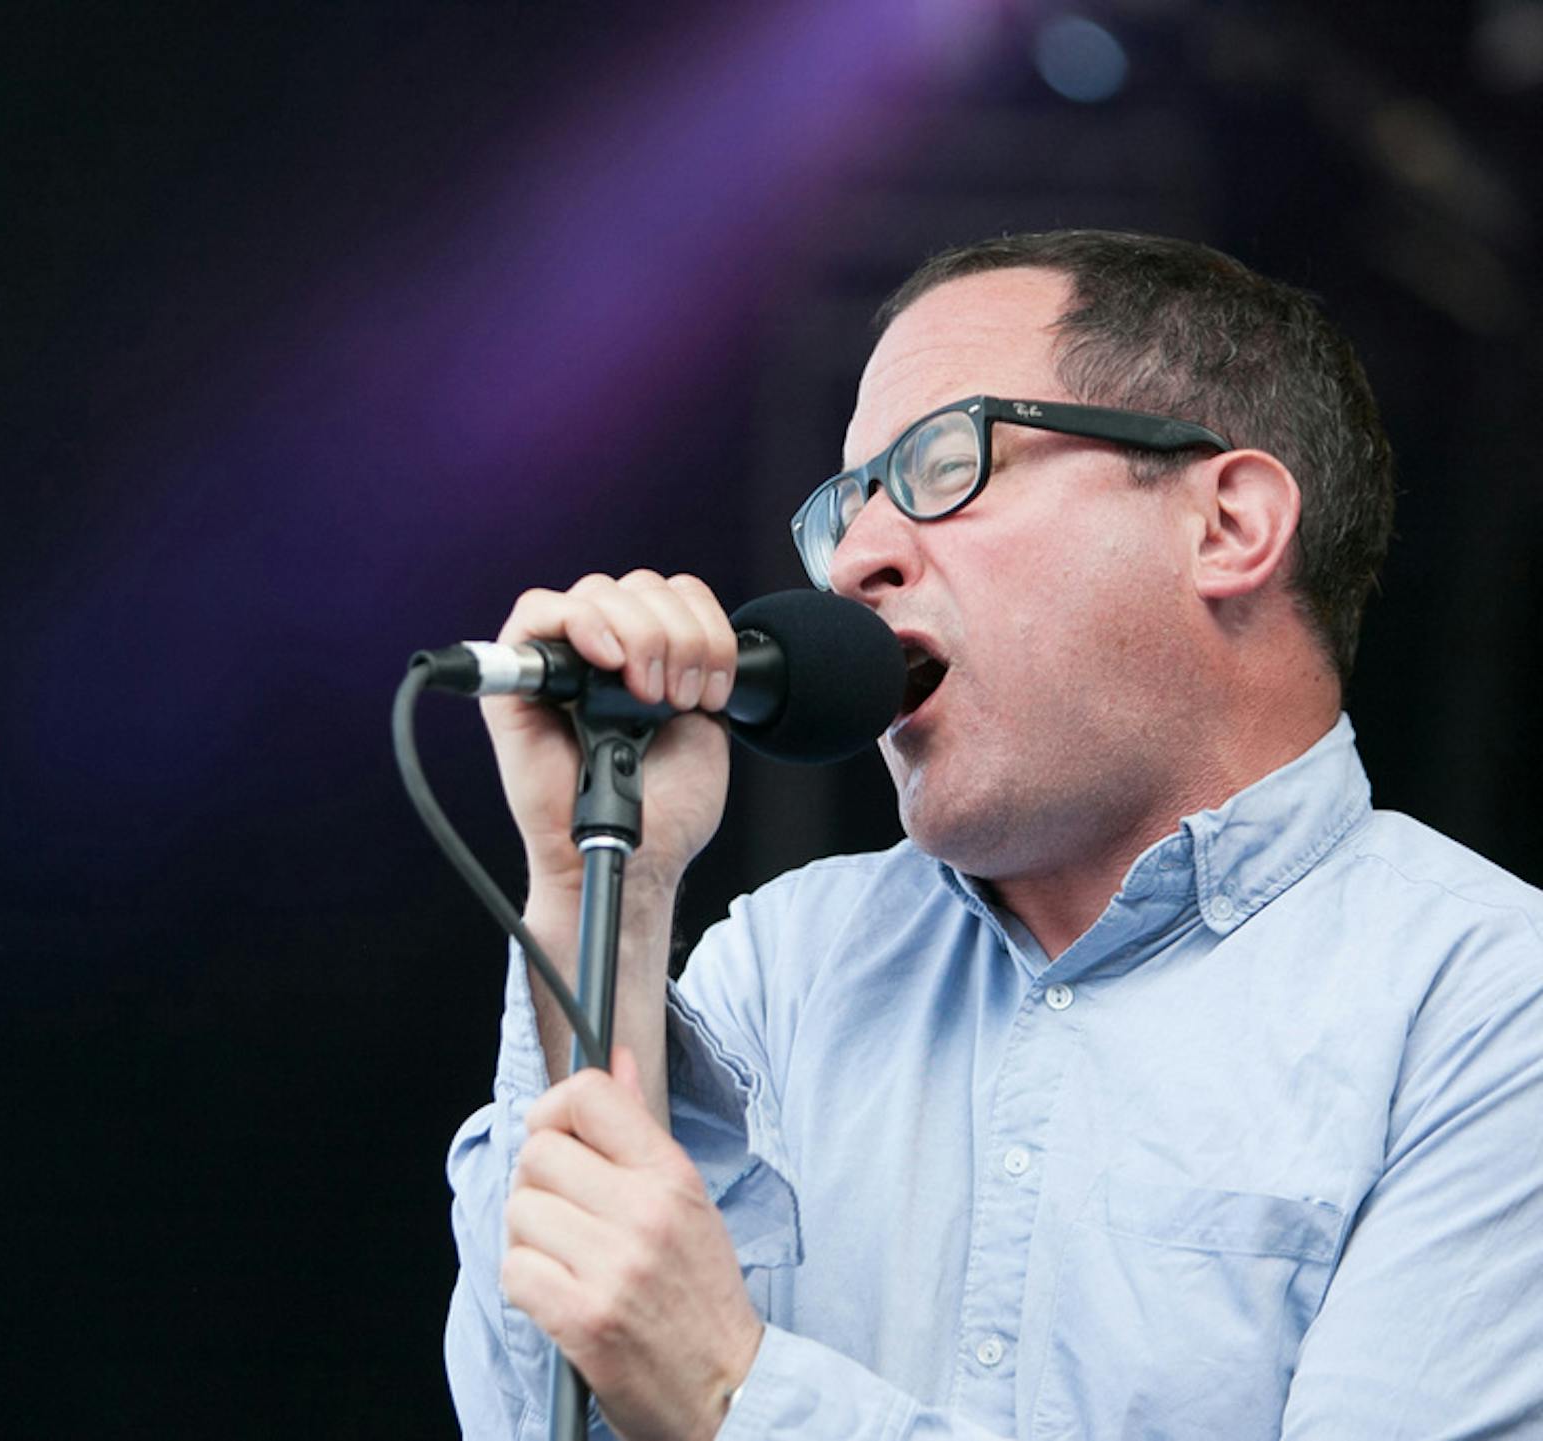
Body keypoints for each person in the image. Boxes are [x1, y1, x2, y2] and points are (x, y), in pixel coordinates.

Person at [443, 230, 1543, 1440]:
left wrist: (733, 1394)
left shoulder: (1490, 1008)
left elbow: (699, 1384)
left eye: (942, 463)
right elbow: (526, 1413)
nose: (857, 559)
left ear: (1227, 523)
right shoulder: (785, 964)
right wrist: (598, 886)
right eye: (845, 507)